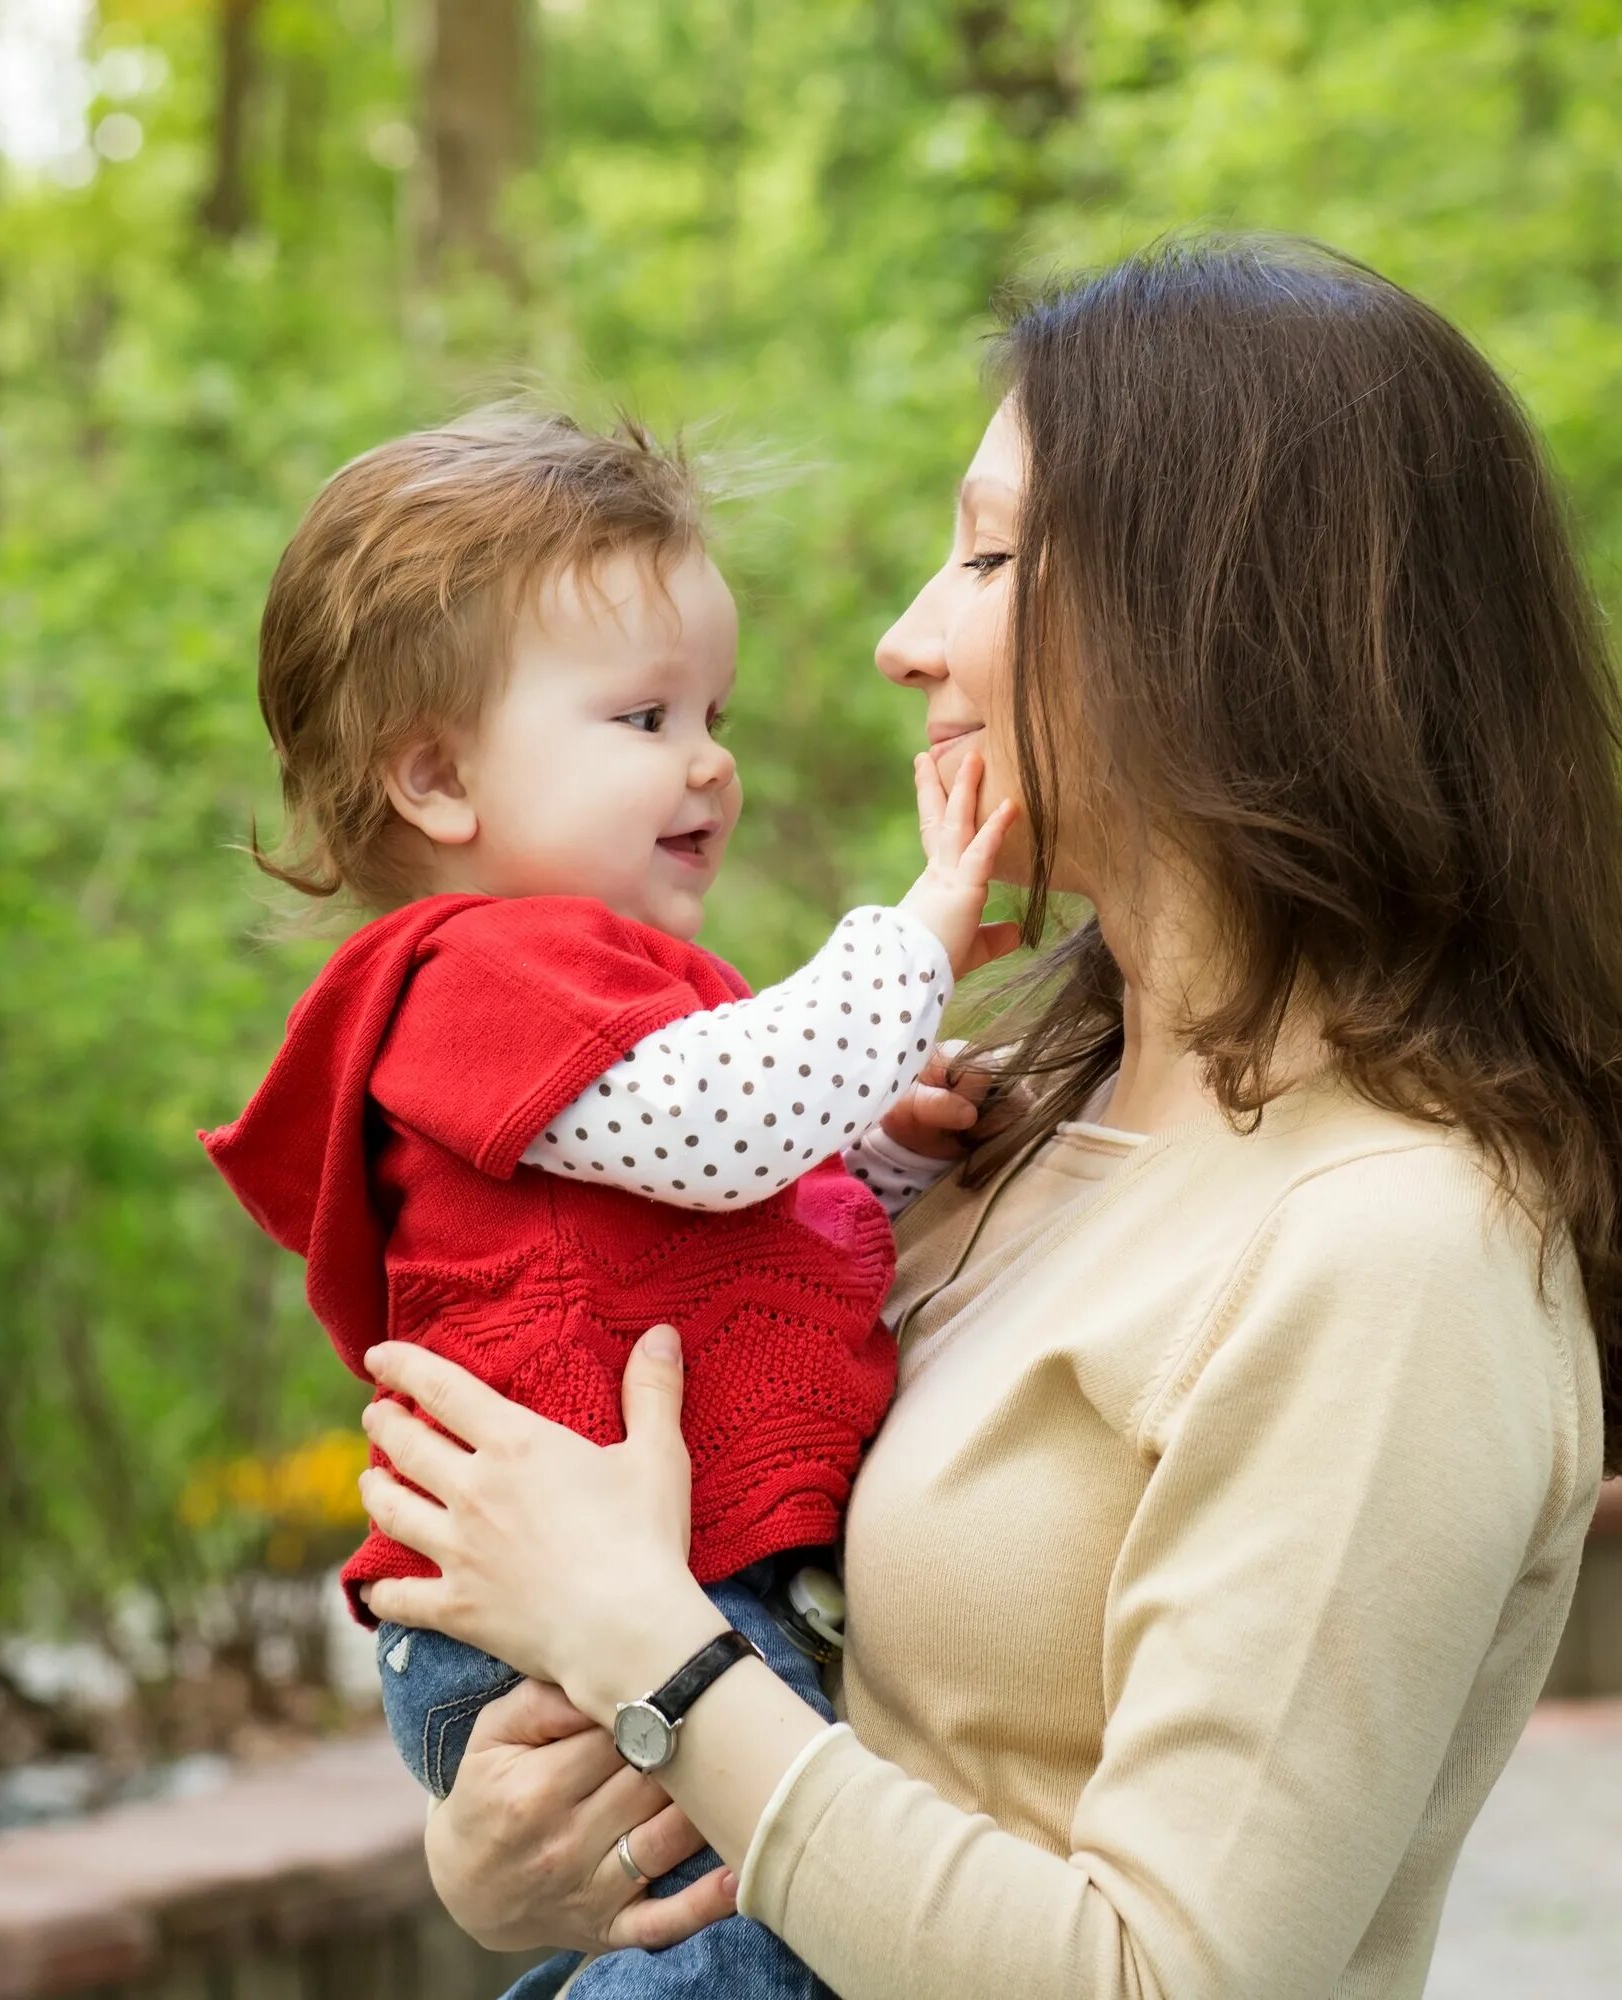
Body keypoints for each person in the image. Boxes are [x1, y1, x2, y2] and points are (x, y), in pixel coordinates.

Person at [348, 238, 1622, 1999]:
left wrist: (652, 1652)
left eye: (994, 556)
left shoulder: (1395, 1245)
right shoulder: (1016, 1131)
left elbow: (1163, 1979)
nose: (903, 640)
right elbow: (812, 1722)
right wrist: (504, 1856)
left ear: (1228, 630)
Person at [200, 408, 1018, 1998]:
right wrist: (909, 944)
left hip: (643, 1599)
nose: (710, 758)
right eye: (641, 716)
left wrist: (890, 1152)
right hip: (592, 1619)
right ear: (436, 776)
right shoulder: (481, 973)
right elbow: (730, 1134)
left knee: (716, 1950)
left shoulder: (601, 1002)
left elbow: (727, 1212)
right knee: (757, 1945)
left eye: (710, 708)